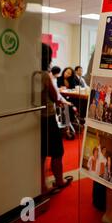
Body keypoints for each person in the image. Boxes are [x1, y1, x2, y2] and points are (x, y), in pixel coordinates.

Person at [40, 43, 72, 195]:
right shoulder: (45, 75)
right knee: (57, 151)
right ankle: (59, 181)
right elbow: (54, 96)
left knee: (40, 155)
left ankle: (41, 186)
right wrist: (61, 102)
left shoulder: (31, 73)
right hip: (48, 117)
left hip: (35, 119)